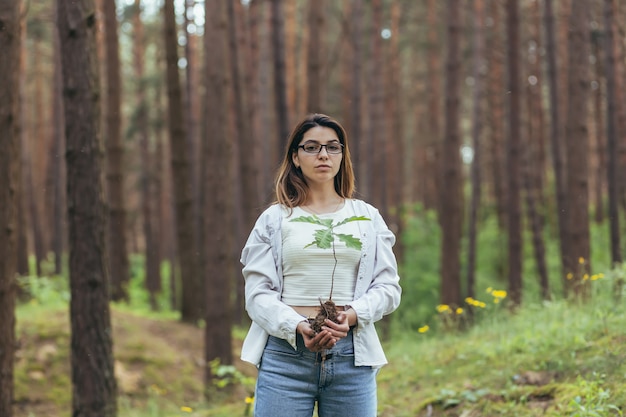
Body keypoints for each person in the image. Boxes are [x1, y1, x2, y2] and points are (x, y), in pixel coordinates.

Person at [240, 113, 402, 417]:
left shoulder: (365, 217)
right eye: (311, 147)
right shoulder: (275, 220)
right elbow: (257, 295)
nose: (324, 154)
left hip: (351, 357)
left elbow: (388, 288)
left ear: (343, 156)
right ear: (296, 158)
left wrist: (352, 316)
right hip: (285, 357)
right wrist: (297, 325)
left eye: (333, 147)